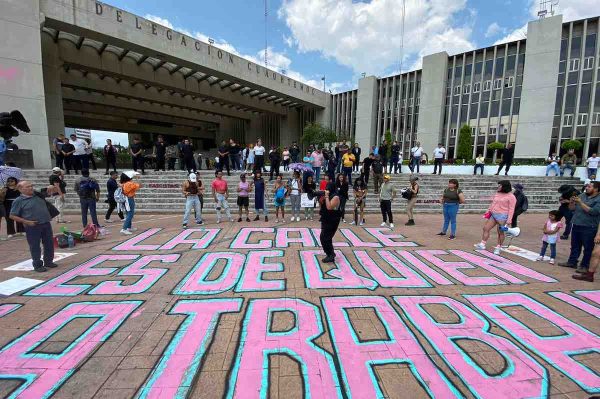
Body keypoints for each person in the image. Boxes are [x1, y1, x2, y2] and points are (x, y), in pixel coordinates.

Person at [9, 181, 59, 272]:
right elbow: (12, 215)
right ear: (20, 189)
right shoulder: (18, 201)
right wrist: (26, 222)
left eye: (31, 186)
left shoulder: (38, 195)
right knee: (35, 246)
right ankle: (37, 265)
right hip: (32, 226)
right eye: (28, 187)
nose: (31, 188)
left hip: (46, 223)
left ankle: (48, 261)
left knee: (49, 243)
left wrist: (51, 187)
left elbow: (51, 190)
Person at [558, 181, 600, 273]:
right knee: (575, 246)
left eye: (589, 186)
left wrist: (580, 203)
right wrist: (572, 202)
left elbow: (593, 212)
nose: (587, 188)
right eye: (587, 186)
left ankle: (585, 266)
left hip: (589, 226)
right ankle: (572, 262)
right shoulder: (582, 195)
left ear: (596, 189)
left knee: (588, 248)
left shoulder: (598, 199)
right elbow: (571, 208)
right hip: (577, 223)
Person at [474, 180, 517, 255]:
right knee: (486, 228)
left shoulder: (511, 197)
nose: (498, 187)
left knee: (500, 232)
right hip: (493, 214)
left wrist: (509, 220)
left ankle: (498, 247)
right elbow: (493, 203)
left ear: (504, 187)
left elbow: (511, 209)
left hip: (502, 216)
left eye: (500, 185)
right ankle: (482, 244)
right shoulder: (497, 193)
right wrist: (488, 211)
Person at [320, 182, 342, 263]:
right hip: (326, 218)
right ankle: (330, 253)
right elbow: (324, 206)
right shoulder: (329, 196)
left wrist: (326, 196)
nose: (327, 189)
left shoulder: (335, 197)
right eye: (326, 188)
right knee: (324, 237)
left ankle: (331, 255)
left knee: (326, 237)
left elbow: (329, 207)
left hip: (333, 220)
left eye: (329, 188)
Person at [120, 171, 141, 235]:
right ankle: (124, 229)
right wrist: (138, 179)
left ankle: (129, 227)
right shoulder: (130, 183)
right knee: (130, 214)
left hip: (125, 199)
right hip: (129, 199)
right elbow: (139, 185)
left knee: (128, 213)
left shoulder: (124, 183)